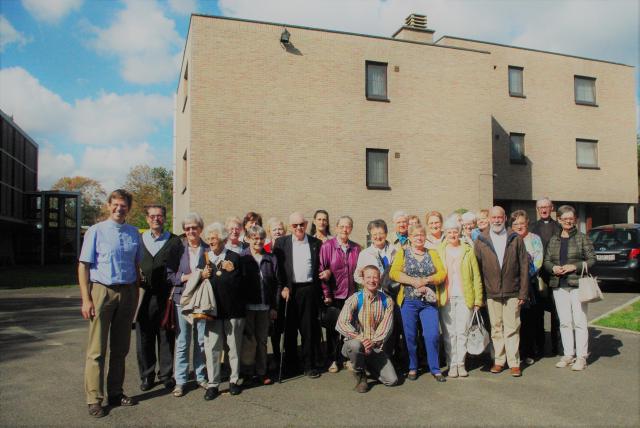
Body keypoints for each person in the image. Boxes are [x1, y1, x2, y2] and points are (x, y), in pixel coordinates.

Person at [78, 189, 142, 418]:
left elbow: (136, 267)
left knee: (120, 348)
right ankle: (94, 398)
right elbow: (83, 266)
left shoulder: (134, 233)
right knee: (97, 350)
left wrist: (135, 296)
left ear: (128, 208)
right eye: (115, 204)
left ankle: (115, 392)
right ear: (108, 206)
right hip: (102, 291)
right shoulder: (96, 231)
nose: (119, 208)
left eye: (123, 205)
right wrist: (86, 299)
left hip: (127, 292)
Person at [474, 206, 529, 377]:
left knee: (512, 327)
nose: (497, 220)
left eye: (500, 217)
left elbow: (524, 266)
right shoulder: (481, 240)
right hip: (492, 292)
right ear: (489, 219)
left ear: (505, 218)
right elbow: (477, 269)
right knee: (496, 328)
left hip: (512, 291)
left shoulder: (515, 238)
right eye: (494, 217)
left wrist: (523, 293)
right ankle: (498, 361)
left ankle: (514, 363)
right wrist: (481, 295)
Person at [389, 224, 447, 382]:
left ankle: (434, 368)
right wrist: (414, 282)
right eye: (415, 235)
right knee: (410, 336)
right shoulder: (403, 252)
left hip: (428, 302)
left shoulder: (432, 253)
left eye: (421, 235)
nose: (419, 238)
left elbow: (442, 273)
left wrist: (427, 280)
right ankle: (413, 367)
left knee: (432, 335)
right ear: (410, 238)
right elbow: (394, 272)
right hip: (409, 301)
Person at [543, 205, 596, 371]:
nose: (568, 221)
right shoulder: (554, 239)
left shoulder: (582, 238)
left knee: (579, 322)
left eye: (570, 219)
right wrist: (553, 268)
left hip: (577, 285)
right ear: (559, 219)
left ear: (574, 220)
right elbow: (546, 261)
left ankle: (581, 357)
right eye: (564, 218)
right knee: (565, 322)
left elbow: (592, 260)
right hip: (559, 285)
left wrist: (575, 267)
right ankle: (568, 354)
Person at [136, 205, 182, 392]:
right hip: (143, 295)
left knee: (166, 335)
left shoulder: (174, 241)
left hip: (166, 296)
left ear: (165, 218)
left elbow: (179, 267)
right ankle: (147, 375)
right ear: (147, 219)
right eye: (152, 216)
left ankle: (165, 374)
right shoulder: (139, 240)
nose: (156, 219)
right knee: (144, 336)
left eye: (160, 216)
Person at [199, 222, 246, 399]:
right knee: (213, 348)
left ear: (223, 240)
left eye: (214, 238)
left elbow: (243, 284)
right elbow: (199, 282)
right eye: (209, 238)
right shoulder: (205, 258)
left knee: (233, 347)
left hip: (233, 310)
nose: (211, 241)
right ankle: (213, 384)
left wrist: (232, 272)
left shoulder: (235, 257)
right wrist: (202, 275)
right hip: (212, 311)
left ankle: (234, 380)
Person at [273, 212, 323, 378]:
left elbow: (320, 268)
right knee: (289, 330)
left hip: (308, 290)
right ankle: (291, 364)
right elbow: (278, 269)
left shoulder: (316, 243)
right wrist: (283, 287)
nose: (299, 228)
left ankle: (309, 365)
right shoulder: (281, 243)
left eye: (301, 224)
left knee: (308, 329)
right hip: (290, 290)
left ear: (307, 224)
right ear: (290, 227)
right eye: (295, 225)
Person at [166, 212, 208, 397]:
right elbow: (170, 275)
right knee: (183, 342)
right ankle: (181, 380)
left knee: (200, 341)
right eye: (187, 228)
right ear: (184, 231)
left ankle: (200, 376)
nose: (191, 231)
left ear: (200, 229)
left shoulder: (208, 249)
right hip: (181, 299)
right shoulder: (178, 249)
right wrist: (189, 277)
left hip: (201, 301)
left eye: (194, 227)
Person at [336, 265, 397, 392]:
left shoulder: (387, 301)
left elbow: (386, 327)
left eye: (375, 277)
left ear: (379, 279)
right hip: (356, 343)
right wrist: (361, 339)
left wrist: (372, 343)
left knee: (391, 380)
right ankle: (360, 374)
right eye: (368, 277)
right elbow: (342, 323)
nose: (372, 280)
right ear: (363, 280)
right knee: (355, 346)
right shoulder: (354, 299)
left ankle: (365, 363)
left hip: (375, 346)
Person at [437, 216, 483, 378]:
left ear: (459, 232)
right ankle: (452, 363)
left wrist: (478, 300)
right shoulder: (439, 250)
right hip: (446, 297)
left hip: (465, 296)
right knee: (449, 333)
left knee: (462, 331)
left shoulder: (468, 250)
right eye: (449, 232)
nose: (452, 234)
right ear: (446, 233)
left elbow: (476, 276)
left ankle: (461, 363)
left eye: (455, 231)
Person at [240, 225, 283, 385]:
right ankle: (246, 372)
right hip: (247, 307)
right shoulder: (242, 258)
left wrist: (274, 307)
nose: (258, 241)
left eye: (261, 238)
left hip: (265, 307)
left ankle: (261, 371)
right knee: (248, 341)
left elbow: (278, 284)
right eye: (255, 238)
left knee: (262, 341)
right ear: (249, 239)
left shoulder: (271, 258)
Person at [318, 216, 361, 373]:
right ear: (336, 228)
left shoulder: (356, 248)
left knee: (350, 329)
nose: (344, 229)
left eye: (348, 226)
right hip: (334, 296)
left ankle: (347, 358)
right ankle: (333, 359)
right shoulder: (327, 246)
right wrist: (326, 294)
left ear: (351, 228)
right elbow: (322, 271)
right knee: (333, 330)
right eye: (341, 226)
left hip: (350, 295)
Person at [510, 210, 544, 364]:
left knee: (528, 320)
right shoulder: (508, 239)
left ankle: (528, 352)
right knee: (514, 321)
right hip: (512, 285)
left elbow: (538, 261)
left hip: (529, 285)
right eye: (515, 223)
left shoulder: (534, 239)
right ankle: (515, 352)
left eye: (521, 223)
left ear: (527, 223)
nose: (519, 226)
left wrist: (523, 275)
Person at [531, 197, 562, 356]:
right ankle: (540, 345)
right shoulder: (532, 227)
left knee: (556, 313)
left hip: (555, 276)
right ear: (537, 210)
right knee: (538, 312)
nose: (543, 210)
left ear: (551, 208)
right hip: (538, 276)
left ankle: (556, 347)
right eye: (540, 207)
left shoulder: (559, 227)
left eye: (546, 207)